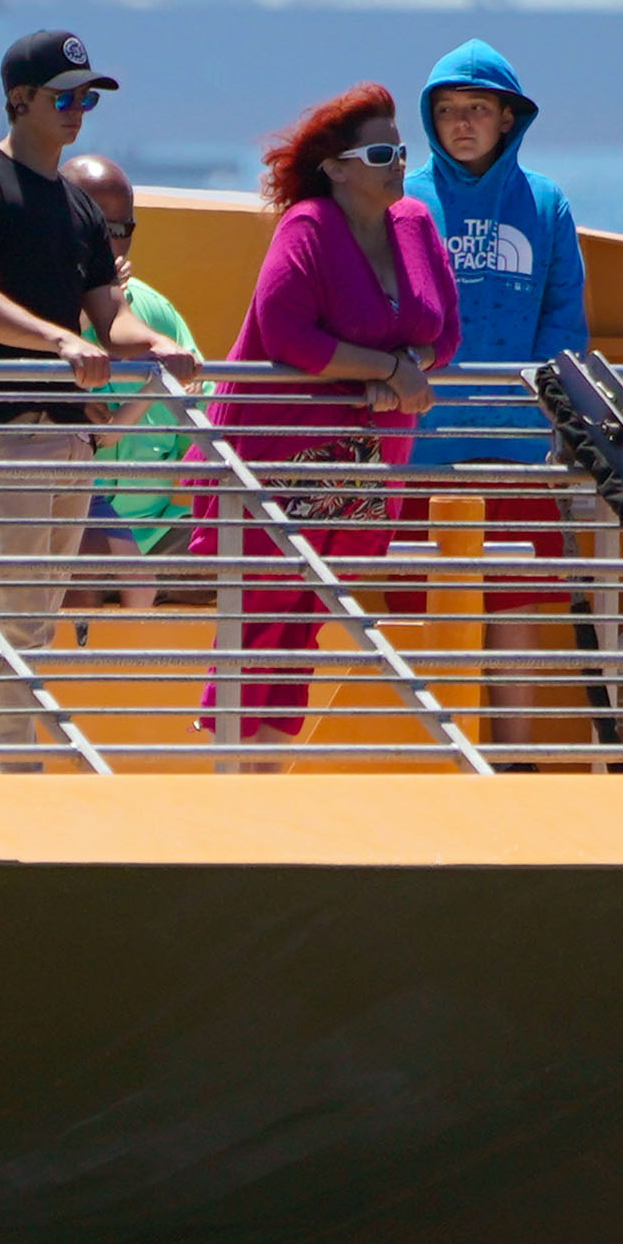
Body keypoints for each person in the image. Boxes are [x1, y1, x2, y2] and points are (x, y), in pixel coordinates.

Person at [0, 29, 183, 755]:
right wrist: (58, 339)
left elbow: (113, 315)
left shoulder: (76, 209)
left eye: (87, 98)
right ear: (19, 101)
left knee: (29, 622)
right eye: (64, 97)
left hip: (70, 435)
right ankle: (10, 779)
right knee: (17, 620)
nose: (78, 110)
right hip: (2, 431)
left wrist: (160, 346)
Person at [207, 82, 456, 758]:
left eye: (401, 150)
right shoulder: (309, 227)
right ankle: (222, 780)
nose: (398, 163)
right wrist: (385, 372)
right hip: (281, 449)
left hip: (367, 453)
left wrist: (407, 366)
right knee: (260, 612)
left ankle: (266, 782)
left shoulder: (417, 224)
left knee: (311, 614)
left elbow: (447, 333)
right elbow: (286, 334)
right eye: (380, 152)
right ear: (338, 167)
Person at [404, 38, 608, 740]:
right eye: (450, 109)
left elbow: (564, 322)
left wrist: (539, 411)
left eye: (479, 109)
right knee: (422, 606)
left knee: (515, 605)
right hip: (417, 453)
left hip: (514, 452)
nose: (463, 122)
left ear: (507, 119)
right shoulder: (404, 199)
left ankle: (515, 757)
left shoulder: (545, 204)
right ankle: (434, 754)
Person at [65, 150, 207, 610]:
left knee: (263, 558)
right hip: (68, 535)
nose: (103, 243)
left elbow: (200, 413)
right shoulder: (21, 304)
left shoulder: (154, 311)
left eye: (117, 230)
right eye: (86, 225)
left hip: (161, 535)